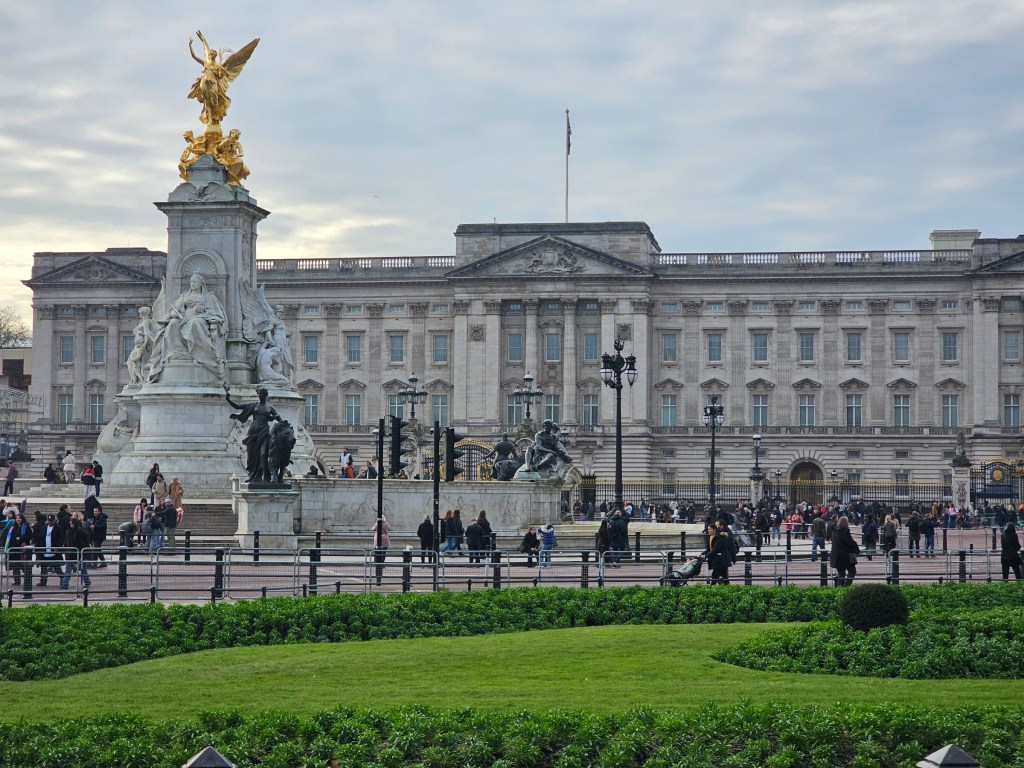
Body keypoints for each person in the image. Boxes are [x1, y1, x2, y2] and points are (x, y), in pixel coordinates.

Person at [150, 271, 228, 382]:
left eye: (195, 281)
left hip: (201, 318)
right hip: (184, 317)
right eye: (191, 281)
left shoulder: (209, 297)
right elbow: (175, 308)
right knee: (172, 324)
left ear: (201, 283)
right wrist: (174, 314)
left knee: (195, 323)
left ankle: (199, 354)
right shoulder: (184, 296)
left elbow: (215, 313)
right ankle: (177, 353)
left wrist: (200, 311)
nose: (192, 283)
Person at [188, 31, 259, 127]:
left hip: (213, 84)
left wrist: (221, 72)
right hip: (204, 82)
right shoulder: (206, 63)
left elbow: (224, 74)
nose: (209, 54)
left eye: (211, 53)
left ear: (214, 55)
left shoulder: (218, 66)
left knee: (214, 102)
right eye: (209, 53)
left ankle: (215, 118)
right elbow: (195, 56)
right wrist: (197, 43)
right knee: (207, 102)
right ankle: (209, 120)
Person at [225, 386, 282, 483]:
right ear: (258, 395)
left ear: (265, 396)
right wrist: (228, 399)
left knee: (264, 454)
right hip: (253, 432)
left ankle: (266, 477)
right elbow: (237, 406)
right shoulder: (253, 405)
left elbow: (280, 419)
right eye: (260, 394)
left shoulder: (270, 407)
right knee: (252, 455)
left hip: (264, 431)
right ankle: (254, 475)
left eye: (263, 394)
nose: (261, 396)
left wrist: (275, 418)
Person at [60, 512, 91, 590]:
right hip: (71, 554)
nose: (71, 525)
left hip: (79, 553)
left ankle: (87, 581)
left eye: (72, 524)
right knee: (69, 570)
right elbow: (66, 542)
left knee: (83, 570)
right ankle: (65, 584)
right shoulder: (68, 532)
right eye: (70, 524)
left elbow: (85, 542)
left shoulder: (80, 531)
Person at [33, 513, 63, 586]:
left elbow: (61, 539)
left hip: (53, 551)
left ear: (54, 521)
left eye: (52, 521)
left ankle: (63, 578)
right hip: (44, 551)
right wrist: (38, 547)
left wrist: (57, 546)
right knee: (43, 567)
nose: (50, 522)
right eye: (49, 521)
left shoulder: (58, 528)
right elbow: (40, 537)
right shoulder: (44, 527)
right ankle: (43, 581)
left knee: (56, 567)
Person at [829, 516, 861, 587]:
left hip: (836, 557)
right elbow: (851, 543)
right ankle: (846, 587)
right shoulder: (844, 533)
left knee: (841, 574)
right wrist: (857, 550)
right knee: (852, 572)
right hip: (845, 557)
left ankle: (840, 589)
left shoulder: (835, 532)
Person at [370, 516, 390, 585]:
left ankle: (378, 563)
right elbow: (389, 528)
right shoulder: (386, 523)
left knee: (377, 553)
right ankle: (382, 563)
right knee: (384, 552)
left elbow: (373, 529)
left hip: (378, 539)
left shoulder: (377, 524)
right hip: (385, 539)